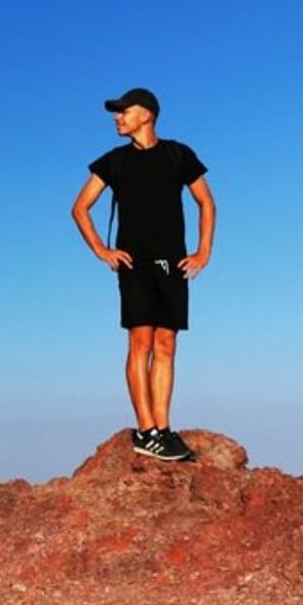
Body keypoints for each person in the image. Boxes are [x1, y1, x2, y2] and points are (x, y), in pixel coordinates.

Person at [71, 88, 216, 462]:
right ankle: (146, 429)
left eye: (124, 111)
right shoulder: (114, 162)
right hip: (134, 266)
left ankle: (163, 429)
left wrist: (203, 251)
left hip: (173, 265)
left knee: (166, 345)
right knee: (141, 343)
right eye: (116, 113)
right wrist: (102, 251)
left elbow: (206, 202)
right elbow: (80, 208)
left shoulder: (178, 155)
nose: (118, 118)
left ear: (146, 115)